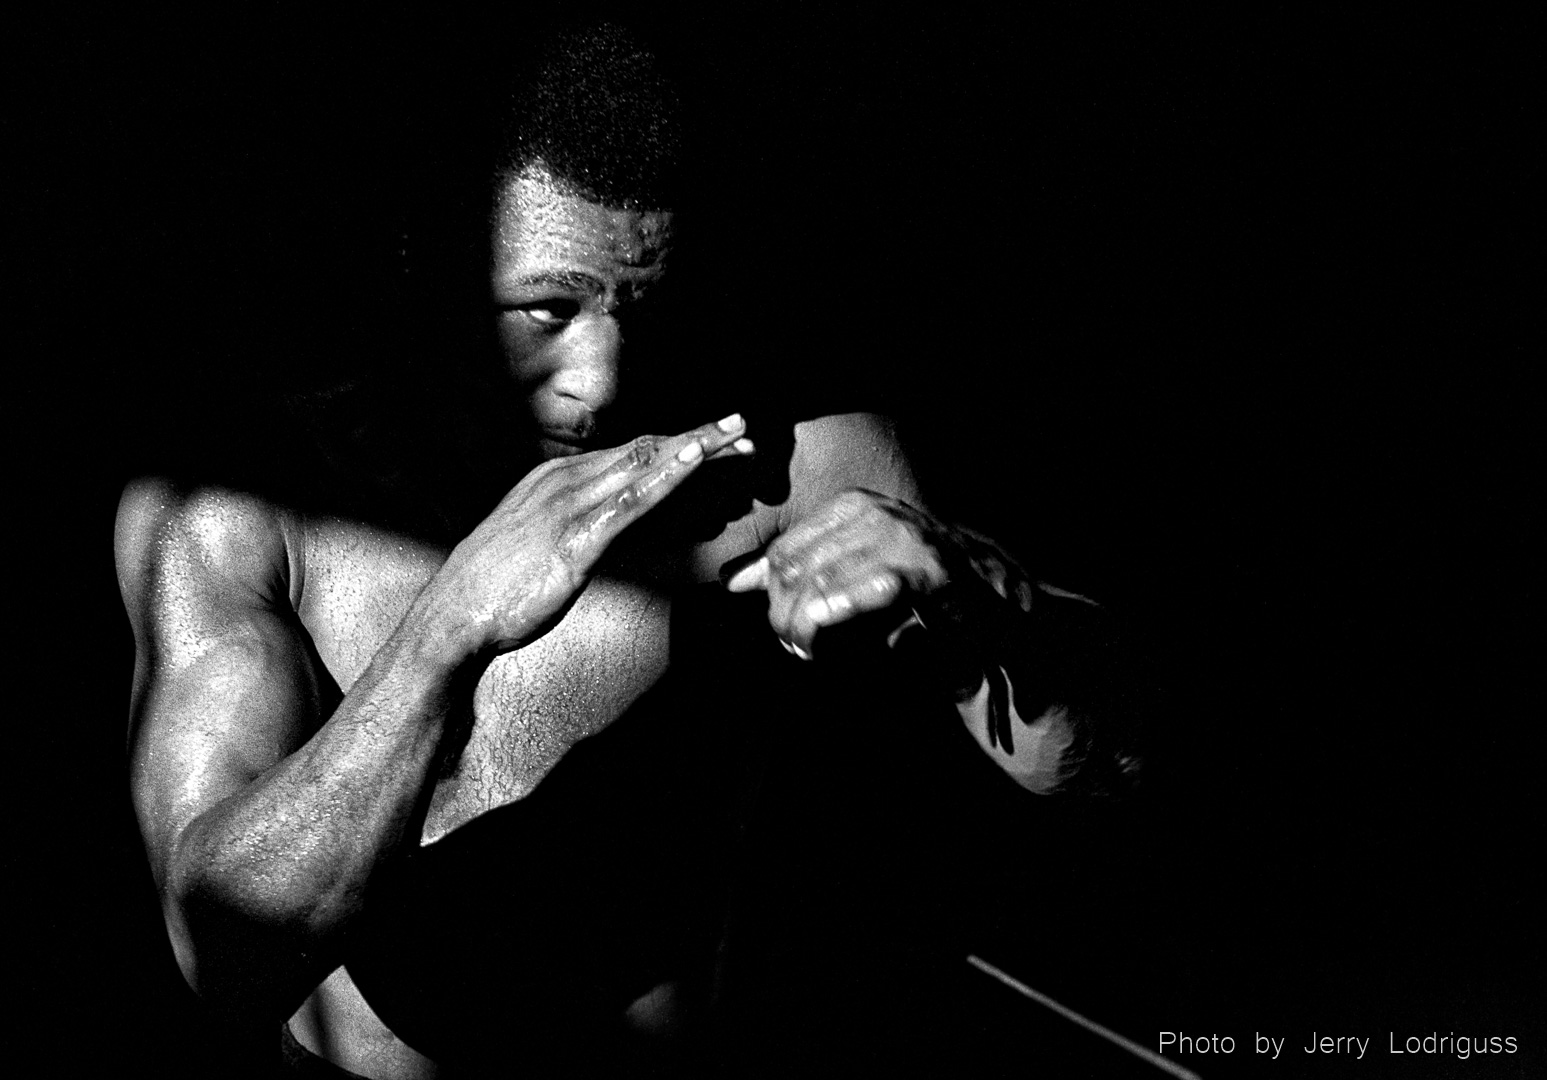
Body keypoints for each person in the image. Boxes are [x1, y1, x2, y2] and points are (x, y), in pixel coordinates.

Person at [115, 23, 1142, 1078]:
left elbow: (1100, 773)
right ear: (435, 261)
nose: (601, 381)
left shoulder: (789, 471)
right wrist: (449, 629)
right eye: (546, 310)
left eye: (639, 311)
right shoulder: (241, 502)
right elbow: (226, 962)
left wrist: (986, 600)